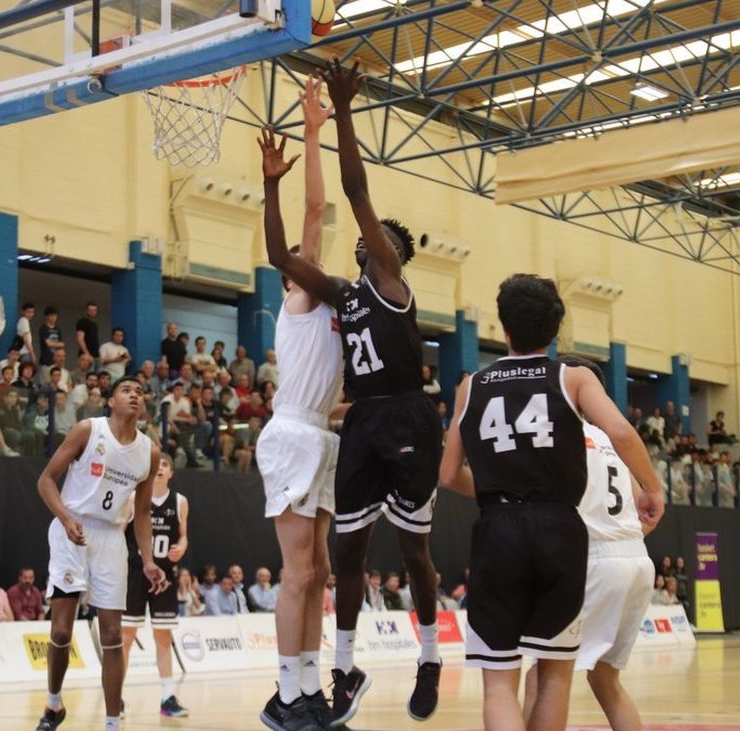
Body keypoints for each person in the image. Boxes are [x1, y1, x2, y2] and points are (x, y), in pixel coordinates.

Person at [261, 61, 445, 726]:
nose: (375, 239)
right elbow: (283, 253)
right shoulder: (337, 294)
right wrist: (266, 184)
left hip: (404, 413)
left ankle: (427, 655)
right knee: (339, 556)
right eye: (374, 236)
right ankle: (334, 671)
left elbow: (352, 188)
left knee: (410, 548)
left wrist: (340, 113)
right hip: (353, 422)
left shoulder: (391, 279)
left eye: (384, 236)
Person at [439, 274, 665, 731]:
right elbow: (620, 433)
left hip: (499, 525)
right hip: (559, 530)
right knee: (555, 676)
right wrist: (653, 487)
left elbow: (447, 475)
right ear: (556, 330)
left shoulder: (472, 385)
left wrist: (494, 490)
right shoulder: (575, 377)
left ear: (503, 328)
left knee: (500, 682)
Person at [522, 356, 656, 731]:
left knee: (542, 673)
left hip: (594, 559)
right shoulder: (609, 441)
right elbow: (642, 513)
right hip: (636, 559)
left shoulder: (555, 436)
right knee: (605, 679)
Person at [34, 377, 165, 731]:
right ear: (111, 401)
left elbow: (141, 512)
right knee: (61, 631)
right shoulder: (87, 431)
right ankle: (53, 704)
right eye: (127, 390)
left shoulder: (149, 452)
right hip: (71, 531)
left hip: (111, 539)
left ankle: (112, 723)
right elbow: (45, 480)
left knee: (111, 636)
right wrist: (65, 518)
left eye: (140, 391)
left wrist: (149, 560)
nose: (135, 394)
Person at [121, 453, 190, 718]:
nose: (160, 468)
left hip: (165, 576)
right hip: (136, 572)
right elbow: (119, 531)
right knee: (126, 637)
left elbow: (183, 537)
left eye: (165, 465)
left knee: (163, 636)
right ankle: (118, 698)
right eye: (156, 465)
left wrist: (182, 547)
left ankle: (167, 698)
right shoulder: (134, 497)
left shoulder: (180, 501)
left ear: (171, 473)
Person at [75, 302, 100, 366]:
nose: (92, 312)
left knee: (95, 375)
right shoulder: (82, 321)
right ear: (86, 311)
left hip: (95, 356)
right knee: (87, 375)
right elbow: (80, 339)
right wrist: (87, 354)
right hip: (86, 356)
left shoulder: (94, 324)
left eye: (94, 310)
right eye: (90, 310)